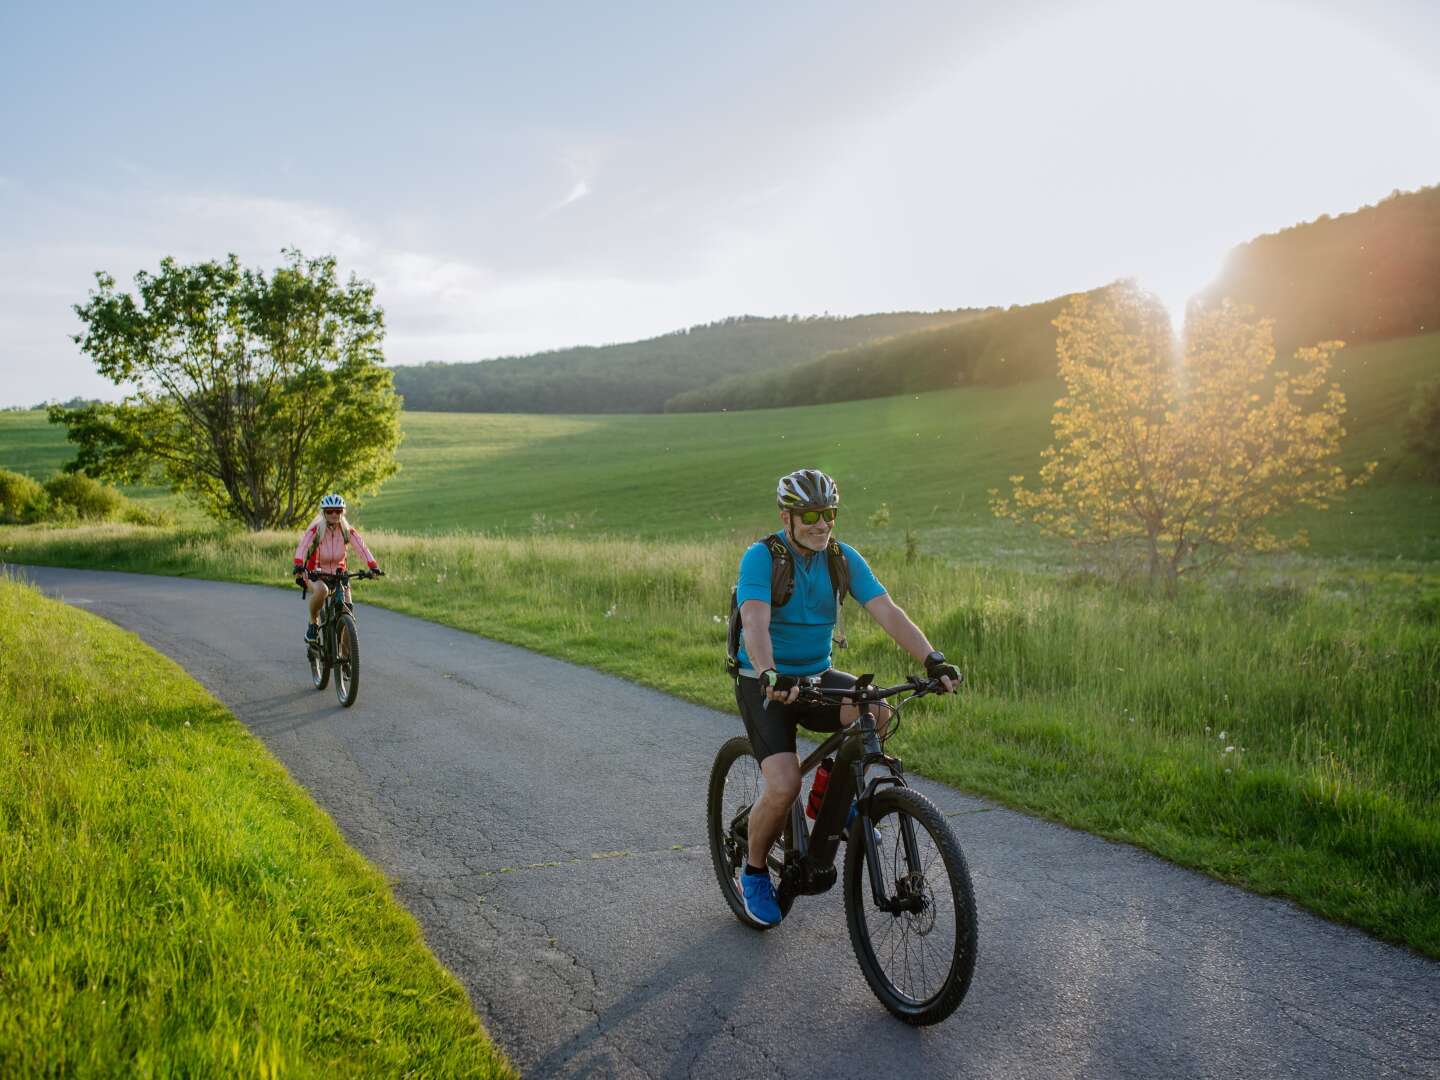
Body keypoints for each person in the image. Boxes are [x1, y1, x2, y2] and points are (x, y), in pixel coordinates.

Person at [731, 468, 961, 927]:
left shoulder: (841, 558)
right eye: (810, 515)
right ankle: (753, 873)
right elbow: (754, 622)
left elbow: (886, 610)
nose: (821, 524)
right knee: (782, 784)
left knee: (875, 708)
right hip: (766, 682)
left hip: (816, 675)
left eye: (829, 514)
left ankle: (827, 801)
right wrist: (767, 671)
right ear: (787, 517)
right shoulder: (762, 558)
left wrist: (931, 658)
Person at [292, 493, 381, 645]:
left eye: (338, 511)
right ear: (324, 513)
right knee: (322, 591)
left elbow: (362, 548)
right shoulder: (316, 530)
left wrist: (373, 567)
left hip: (339, 575)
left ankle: (347, 659)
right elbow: (303, 546)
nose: (334, 514)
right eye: (330, 511)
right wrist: (299, 565)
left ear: (342, 512)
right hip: (316, 574)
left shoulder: (347, 531)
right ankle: (313, 623)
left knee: (348, 611)